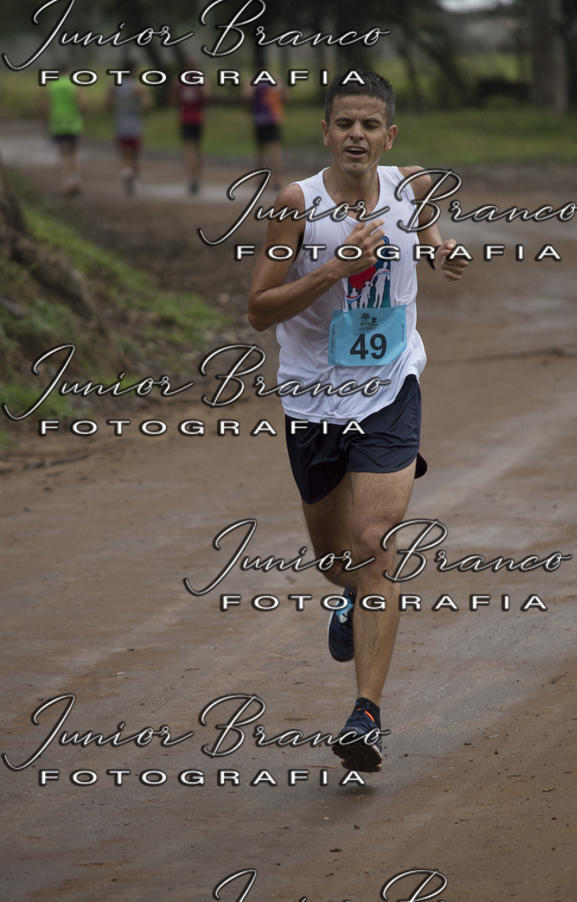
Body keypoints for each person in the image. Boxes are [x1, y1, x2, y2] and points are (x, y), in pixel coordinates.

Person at [248, 71, 469, 773]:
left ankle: (365, 715)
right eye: (345, 123)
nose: (357, 135)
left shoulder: (412, 185)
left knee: (374, 542)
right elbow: (259, 309)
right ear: (325, 132)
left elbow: (430, 214)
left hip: (389, 388)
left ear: (389, 137)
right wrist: (331, 269)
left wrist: (439, 246)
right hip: (313, 399)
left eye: (370, 125)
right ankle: (348, 599)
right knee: (335, 561)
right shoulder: (297, 205)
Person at [107, 67, 148, 195]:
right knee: (135, 156)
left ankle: (126, 171)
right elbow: (147, 104)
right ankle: (134, 180)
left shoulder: (115, 88)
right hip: (135, 126)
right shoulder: (138, 88)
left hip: (121, 125)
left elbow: (108, 104)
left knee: (124, 155)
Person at [171, 65, 210, 195]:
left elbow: (173, 96)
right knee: (196, 149)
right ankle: (196, 177)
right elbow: (207, 95)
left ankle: (192, 178)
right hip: (198, 118)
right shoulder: (200, 80)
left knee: (189, 149)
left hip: (186, 118)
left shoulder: (179, 80)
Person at [46, 75, 84, 196]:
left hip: (57, 124)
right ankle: (76, 180)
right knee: (73, 153)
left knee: (63, 154)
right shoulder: (74, 85)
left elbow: (47, 106)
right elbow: (81, 104)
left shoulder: (52, 86)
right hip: (73, 124)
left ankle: (67, 182)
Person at [248, 81, 286, 191]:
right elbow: (286, 96)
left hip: (260, 120)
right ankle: (277, 180)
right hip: (274, 119)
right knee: (275, 151)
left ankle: (262, 180)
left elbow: (247, 95)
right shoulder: (276, 82)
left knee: (261, 151)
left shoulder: (254, 83)